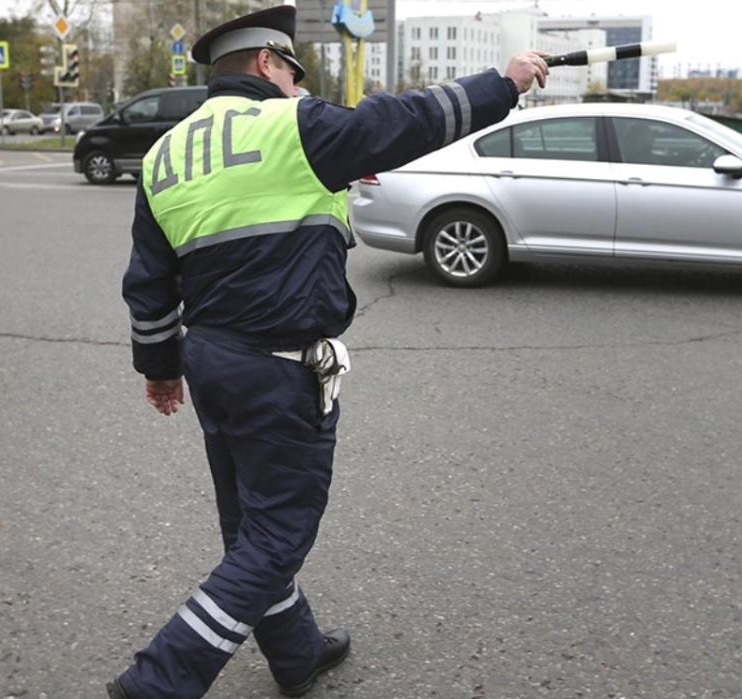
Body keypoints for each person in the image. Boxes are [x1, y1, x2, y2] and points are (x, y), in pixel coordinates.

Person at [109, 6, 548, 699]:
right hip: (279, 368)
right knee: (277, 537)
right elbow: (411, 118)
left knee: (248, 527)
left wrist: (160, 369)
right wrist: (507, 81)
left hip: (211, 361)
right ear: (265, 63)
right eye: (292, 70)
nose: (296, 83)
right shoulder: (296, 126)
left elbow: (149, 280)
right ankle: (159, 680)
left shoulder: (168, 152)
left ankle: (297, 652)